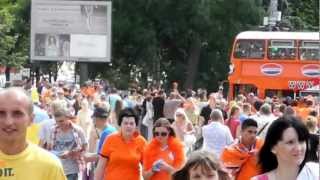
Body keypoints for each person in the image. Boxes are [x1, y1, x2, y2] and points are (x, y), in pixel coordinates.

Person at [0, 87, 67, 179]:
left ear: (31, 119)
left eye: (17, 113)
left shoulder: (49, 165)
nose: (8, 122)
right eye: (1, 113)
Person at [253, 116, 319, 180]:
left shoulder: (315, 172)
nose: (298, 148)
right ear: (273, 147)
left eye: (301, 141)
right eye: (290, 142)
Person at [94, 108, 147, 180]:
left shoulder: (142, 142)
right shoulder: (110, 139)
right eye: (125, 123)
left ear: (136, 125)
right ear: (120, 124)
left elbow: (147, 168)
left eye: (131, 123)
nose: (128, 126)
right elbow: (101, 167)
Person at [47, 107, 88, 180]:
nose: (59, 124)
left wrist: (70, 153)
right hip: (57, 168)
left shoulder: (77, 130)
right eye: (57, 121)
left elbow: (85, 148)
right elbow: (49, 148)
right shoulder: (52, 130)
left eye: (61, 121)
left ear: (67, 118)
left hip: (72, 169)